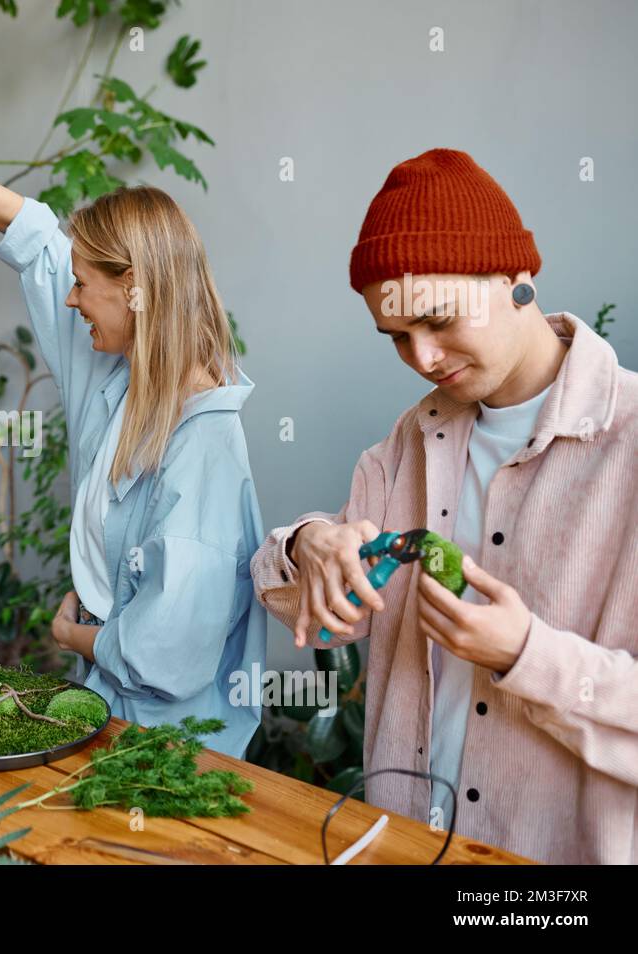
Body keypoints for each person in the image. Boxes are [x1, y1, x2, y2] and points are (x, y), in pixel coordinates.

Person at [0, 107, 267, 757]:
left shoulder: (202, 447)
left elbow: (165, 659)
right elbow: (36, 236)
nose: (69, 298)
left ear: (135, 290)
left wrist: (71, 637)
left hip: (168, 740)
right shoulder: (111, 367)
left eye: (84, 285)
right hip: (105, 691)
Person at [250, 148, 637, 863]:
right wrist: (309, 544)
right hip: (399, 844)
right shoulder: (405, 444)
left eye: (437, 319)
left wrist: (527, 654)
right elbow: (315, 616)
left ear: (518, 280)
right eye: (397, 336)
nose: (423, 357)